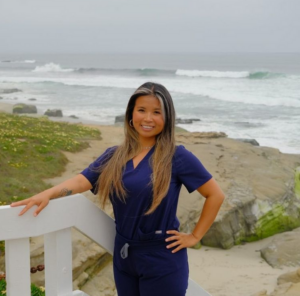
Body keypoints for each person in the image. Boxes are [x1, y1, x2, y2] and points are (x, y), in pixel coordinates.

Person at [11, 82, 225, 296]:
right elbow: (80, 181)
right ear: (131, 115)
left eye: (156, 112)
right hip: (124, 256)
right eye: (142, 110)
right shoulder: (114, 155)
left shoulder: (177, 157)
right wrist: (46, 194)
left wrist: (195, 236)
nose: (148, 118)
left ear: (167, 118)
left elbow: (215, 195)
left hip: (161, 258)